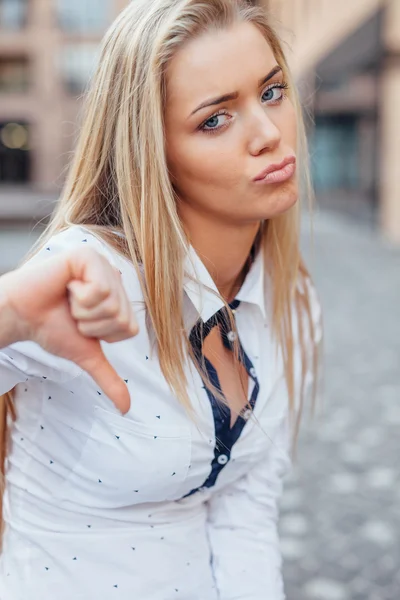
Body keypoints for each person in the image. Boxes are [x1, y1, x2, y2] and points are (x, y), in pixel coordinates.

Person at [0, 0, 322, 598]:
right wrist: (11, 315)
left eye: (272, 92)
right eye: (215, 120)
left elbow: (245, 510)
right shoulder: (89, 280)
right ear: (154, 153)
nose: (269, 133)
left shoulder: (292, 303)